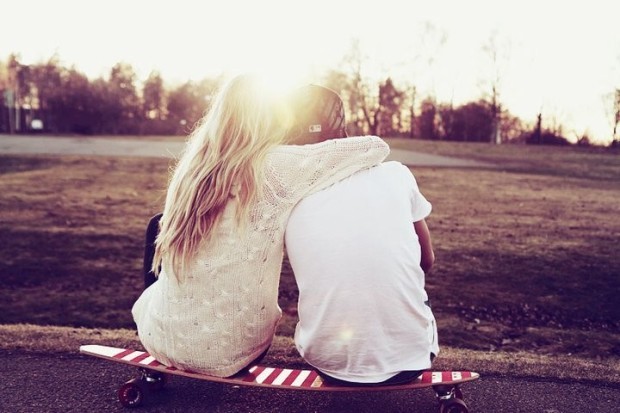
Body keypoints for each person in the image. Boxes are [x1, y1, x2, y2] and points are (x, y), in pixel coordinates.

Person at [131, 75, 390, 378]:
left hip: (160, 342)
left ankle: (175, 328)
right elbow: (376, 147)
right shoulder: (277, 167)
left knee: (157, 227)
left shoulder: (192, 167)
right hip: (235, 352)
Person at [285, 84, 438, 385]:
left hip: (326, 363)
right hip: (413, 361)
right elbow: (427, 261)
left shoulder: (289, 196)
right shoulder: (397, 173)